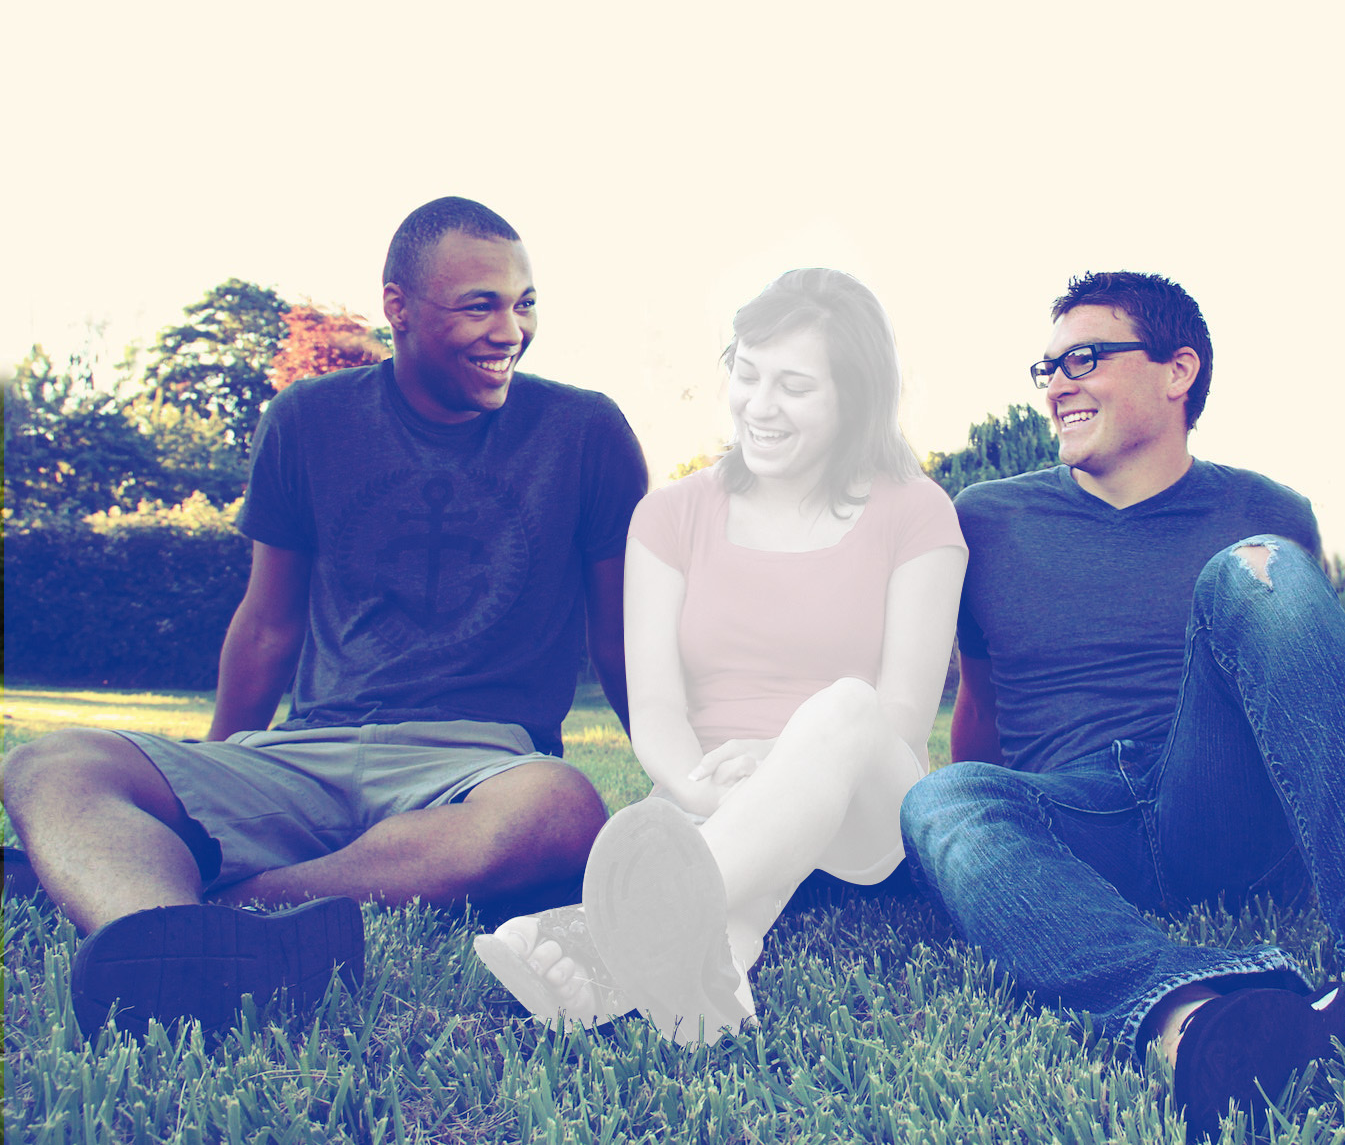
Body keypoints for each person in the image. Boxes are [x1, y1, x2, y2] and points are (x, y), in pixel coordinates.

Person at [899, 272, 1345, 1142]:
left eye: (1084, 357)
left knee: (1256, 566)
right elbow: (983, 703)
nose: (1057, 384)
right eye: (1045, 368)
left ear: (1177, 369)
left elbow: (1302, 684)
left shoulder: (1269, 511)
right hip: (1080, 820)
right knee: (941, 794)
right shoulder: (989, 517)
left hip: (1220, 806)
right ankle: (1191, 1010)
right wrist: (987, 846)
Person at [1, 197, 646, 1035]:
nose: (510, 329)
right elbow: (268, 623)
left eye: (524, 302)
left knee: (563, 809)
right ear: (398, 307)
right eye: (479, 304)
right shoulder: (308, 419)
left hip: (481, 761)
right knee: (50, 763)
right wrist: (212, 766)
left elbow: (619, 637)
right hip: (307, 749)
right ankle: (150, 922)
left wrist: (680, 783)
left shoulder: (585, 431)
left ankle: (218, 911)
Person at [474, 267, 966, 1045]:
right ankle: (715, 982)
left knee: (845, 704)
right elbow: (659, 708)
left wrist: (779, 761)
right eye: (747, 371)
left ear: (854, 397)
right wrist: (707, 794)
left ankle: (603, 931)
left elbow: (903, 717)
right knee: (721, 890)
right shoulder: (669, 516)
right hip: (701, 799)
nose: (759, 406)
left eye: (795, 385)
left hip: (864, 810)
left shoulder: (918, 510)